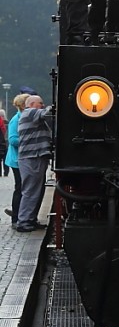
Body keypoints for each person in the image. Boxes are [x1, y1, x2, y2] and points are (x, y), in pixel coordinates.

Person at [16, 94, 53, 233]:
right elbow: (48, 112)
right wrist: (55, 106)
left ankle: (30, 219)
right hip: (32, 157)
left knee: (36, 190)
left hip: (34, 157)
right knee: (31, 191)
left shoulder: (31, 114)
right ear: (31, 104)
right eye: (40, 103)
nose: (42, 105)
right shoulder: (30, 112)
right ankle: (24, 221)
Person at [4, 93, 29, 227]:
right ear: (23, 105)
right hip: (16, 160)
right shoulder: (15, 120)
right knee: (19, 188)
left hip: (22, 158)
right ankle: (15, 218)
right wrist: (28, 141)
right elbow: (12, 139)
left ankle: (21, 214)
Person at [0, 110, 7, 177]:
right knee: (5, 158)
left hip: (3, 141)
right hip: (6, 141)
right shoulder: (7, 122)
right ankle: (6, 172)